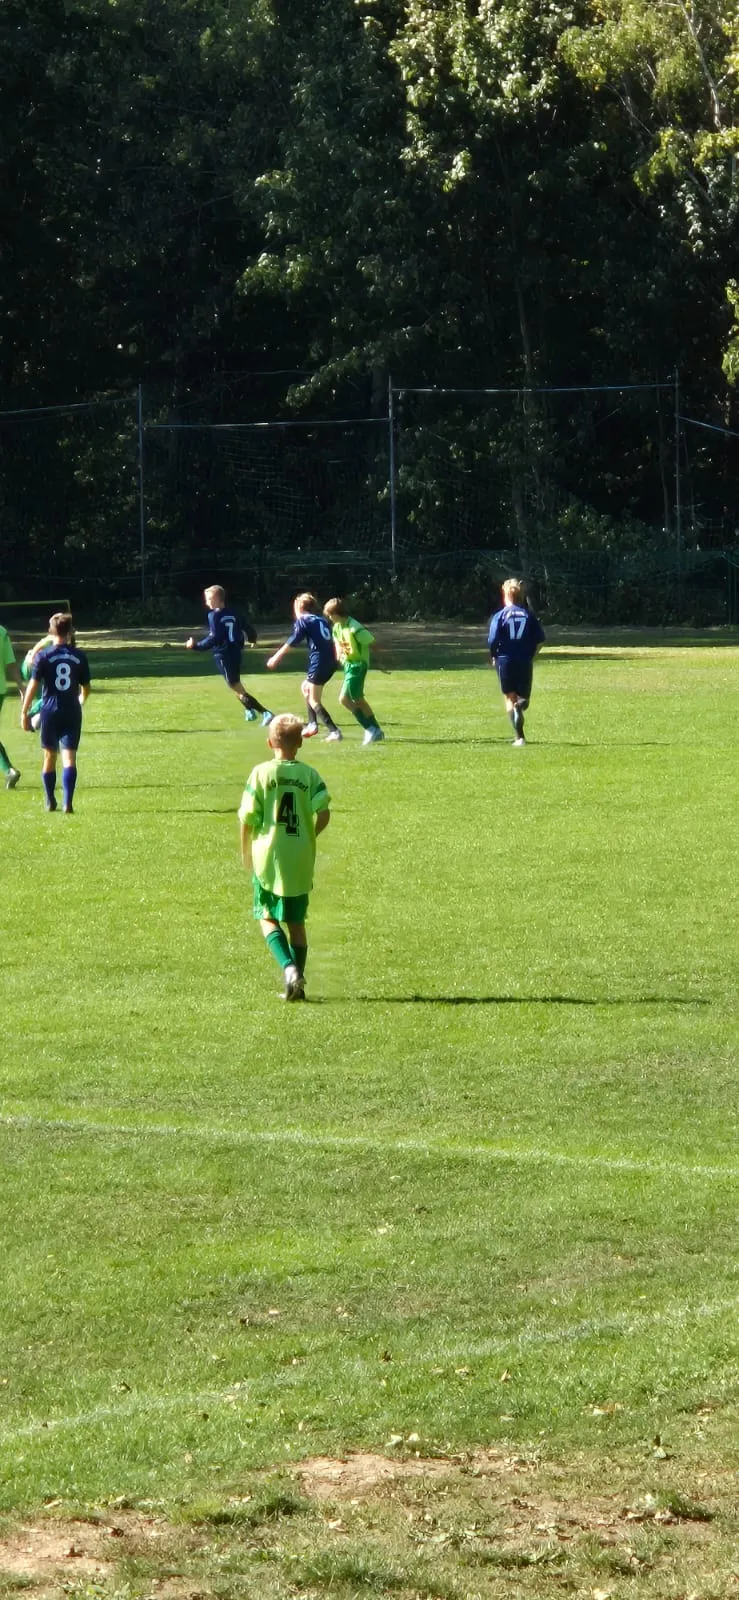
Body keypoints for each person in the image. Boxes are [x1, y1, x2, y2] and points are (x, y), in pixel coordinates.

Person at [239, 713, 330, 1001]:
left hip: (268, 856)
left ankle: (289, 969)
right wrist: (309, 836)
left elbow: (247, 816)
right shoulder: (309, 775)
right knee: (296, 922)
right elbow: (324, 813)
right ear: (300, 743)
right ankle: (297, 988)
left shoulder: (261, 773)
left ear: (270, 743)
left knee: (267, 916)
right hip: (299, 857)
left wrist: (245, 849)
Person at [21, 612, 90, 812]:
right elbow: (86, 686)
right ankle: (68, 802)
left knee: (49, 757)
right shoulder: (79, 656)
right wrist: (82, 699)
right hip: (71, 710)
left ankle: (50, 800)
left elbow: (33, 686)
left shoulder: (44, 656)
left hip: (50, 711)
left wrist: (25, 712)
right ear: (70, 632)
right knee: (69, 759)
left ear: (51, 632)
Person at [186, 585, 273, 725]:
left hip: (223, 654)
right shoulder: (234, 612)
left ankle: (265, 713)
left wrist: (196, 646)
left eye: (209, 599)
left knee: (234, 685)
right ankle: (249, 710)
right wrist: (252, 639)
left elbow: (215, 637)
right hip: (236, 652)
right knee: (234, 683)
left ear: (217, 599)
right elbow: (247, 627)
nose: (207, 602)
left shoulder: (214, 615)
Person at [266, 593, 341, 741]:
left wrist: (276, 657)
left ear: (299, 607)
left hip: (320, 662)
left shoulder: (303, 620)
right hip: (331, 660)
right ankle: (312, 724)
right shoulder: (321, 620)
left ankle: (334, 731)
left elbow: (293, 640)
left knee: (314, 699)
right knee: (306, 687)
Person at [487, 578, 545, 746]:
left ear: (506, 595)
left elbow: (492, 640)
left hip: (504, 660)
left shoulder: (500, 616)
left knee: (509, 698)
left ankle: (519, 737)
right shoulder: (528, 615)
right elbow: (540, 639)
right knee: (523, 699)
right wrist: (532, 654)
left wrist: (493, 656)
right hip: (524, 659)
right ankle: (520, 705)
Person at [323, 597, 384, 744]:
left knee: (352, 699)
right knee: (350, 699)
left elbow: (372, 642)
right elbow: (337, 641)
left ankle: (371, 728)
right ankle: (375, 729)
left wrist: (381, 662)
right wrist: (338, 653)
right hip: (349, 666)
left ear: (336, 614)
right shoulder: (337, 627)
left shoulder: (355, 627)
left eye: (330, 615)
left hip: (358, 665)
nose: (329, 618)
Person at [0, 622, 22, 789]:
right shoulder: (2, 632)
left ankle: (9, 770)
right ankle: (9, 770)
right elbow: (10, 662)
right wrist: (20, 685)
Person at [22, 631, 54, 731]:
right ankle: (29, 716)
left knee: (45, 696)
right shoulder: (53, 639)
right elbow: (39, 646)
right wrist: (33, 659)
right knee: (49, 695)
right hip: (31, 666)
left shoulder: (53, 638)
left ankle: (34, 718)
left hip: (30, 666)